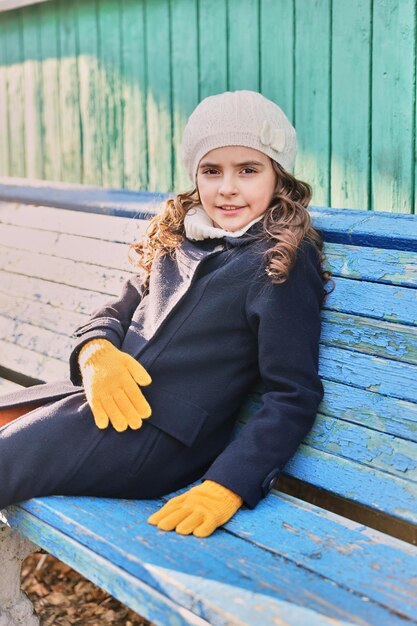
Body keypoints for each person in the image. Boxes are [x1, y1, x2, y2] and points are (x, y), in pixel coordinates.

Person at [0, 90, 333, 538]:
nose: (227, 187)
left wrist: (227, 485)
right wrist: (96, 353)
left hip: (157, 442)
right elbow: (117, 310)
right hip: (103, 403)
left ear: (278, 176)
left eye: (248, 170)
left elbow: (293, 394)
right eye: (211, 171)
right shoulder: (182, 236)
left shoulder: (279, 261)